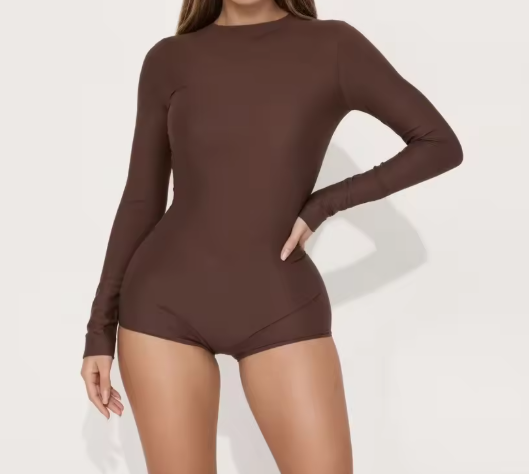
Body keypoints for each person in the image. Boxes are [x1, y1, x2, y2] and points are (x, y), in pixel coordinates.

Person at [80, 0, 463, 472]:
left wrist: (323, 204)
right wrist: (99, 331)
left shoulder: (334, 46)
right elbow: (141, 200)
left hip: (279, 303)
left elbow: (438, 143)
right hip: (163, 307)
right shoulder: (169, 59)